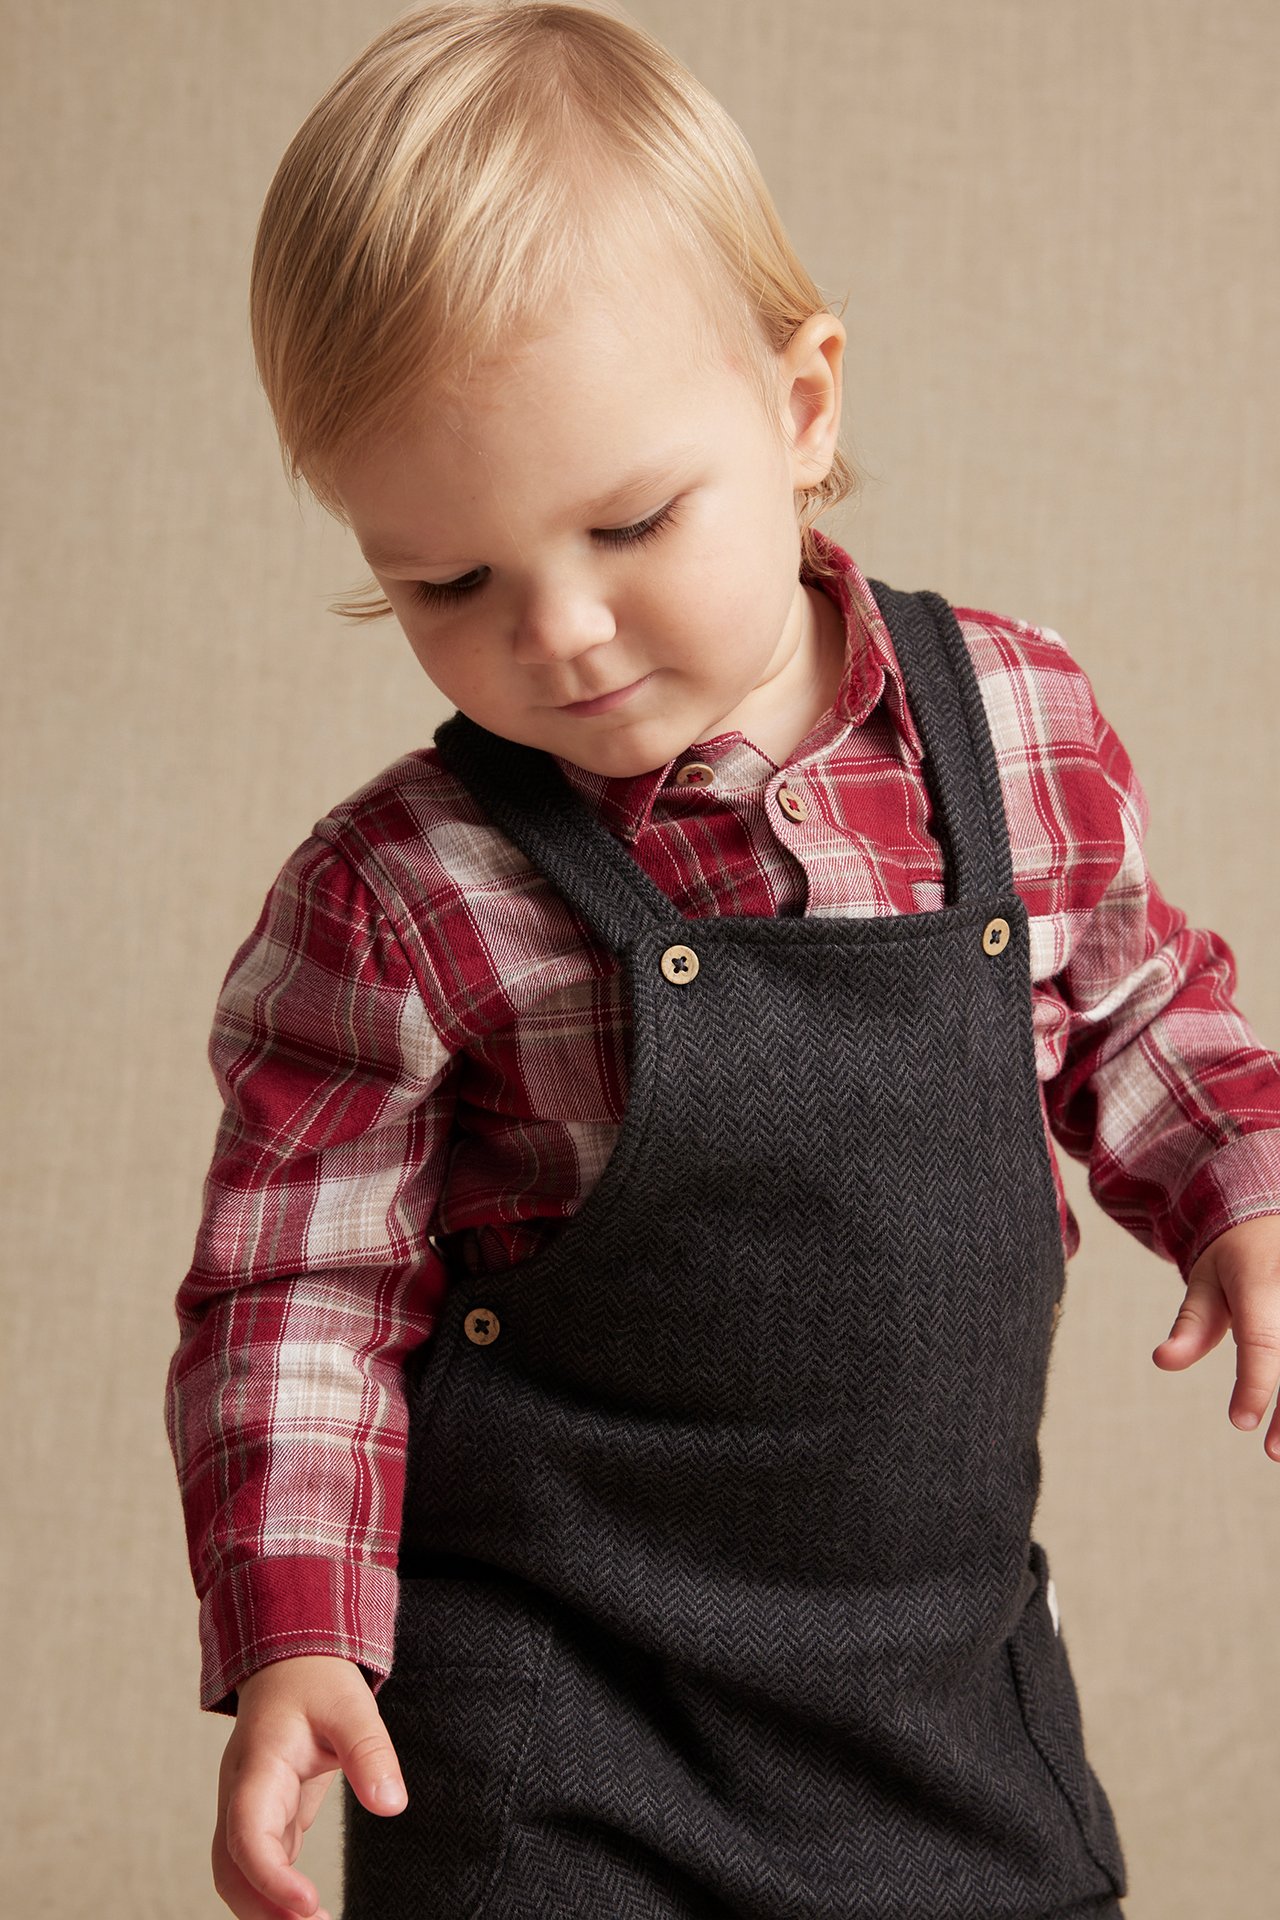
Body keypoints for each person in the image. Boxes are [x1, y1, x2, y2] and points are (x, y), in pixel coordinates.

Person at [163, 5, 1280, 1918]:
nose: (566, 630)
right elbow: (296, 1301)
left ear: (802, 405)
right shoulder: (403, 893)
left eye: (627, 520)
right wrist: (301, 1634)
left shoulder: (1011, 724)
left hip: (935, 1682)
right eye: (449, 582)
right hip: (550, 1712)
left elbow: (1139, 1000)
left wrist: (1242, 1195)